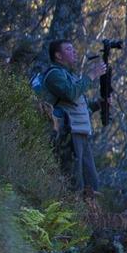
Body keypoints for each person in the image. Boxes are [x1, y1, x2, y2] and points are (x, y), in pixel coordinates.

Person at [40, 39, 106, 197]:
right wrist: (91, 75)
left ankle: (90, 217)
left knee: (92, 183)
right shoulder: (54, 74)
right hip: (68, 135)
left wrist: (99, 104)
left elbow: (79, 107)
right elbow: (70, 93)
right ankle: (72, 216)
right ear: (58, 55)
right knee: (74, 183)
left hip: (81, 134)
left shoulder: (70, 76)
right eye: (69, 49)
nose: (75, 52)